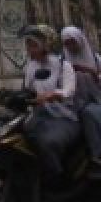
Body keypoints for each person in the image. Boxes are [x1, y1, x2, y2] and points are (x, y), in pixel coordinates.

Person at [19, 24, 80, 189]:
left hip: (63, 116)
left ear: (45, 45)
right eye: (28, 45)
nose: (30, 49)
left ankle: (57, 178)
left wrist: (53, 95)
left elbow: (69, 90)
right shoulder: (31, 66)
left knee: (47, 141)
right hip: (40, 114)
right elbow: (28, 90)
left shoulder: (62, 65)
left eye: (33, 45)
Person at [60, 26, 101, 175]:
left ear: (80, 41)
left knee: (89, 113)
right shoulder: (62, 62)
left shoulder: (96, 59)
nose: (71, 46)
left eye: (73, 42)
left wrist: (90, 72)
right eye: (67, 43)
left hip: (98, 102)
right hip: (72, 105)